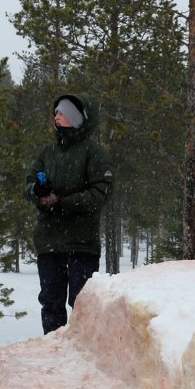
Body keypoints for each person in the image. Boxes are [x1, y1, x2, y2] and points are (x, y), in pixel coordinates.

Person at [24, 94, 114, 334]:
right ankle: (54, 353)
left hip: (81, 242)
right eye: (56, 112)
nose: (56, 116)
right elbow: (29, 183)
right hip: (49, 240)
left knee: (82, 304)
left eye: (61, 112)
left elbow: (101, 192)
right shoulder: (47, 153)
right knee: (51, 303)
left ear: (76, 119)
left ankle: (81, 356)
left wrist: (63, 203)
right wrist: (38, 192)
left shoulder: (94, 152)